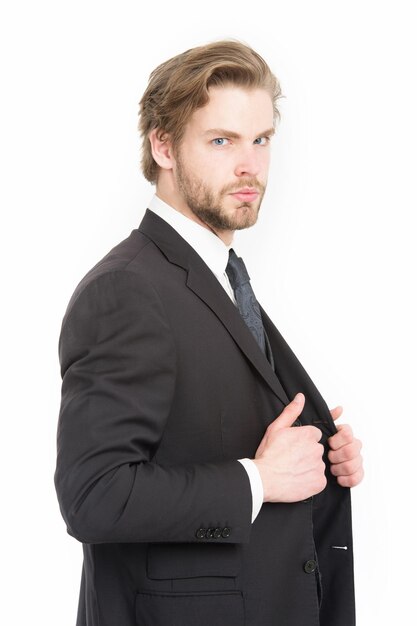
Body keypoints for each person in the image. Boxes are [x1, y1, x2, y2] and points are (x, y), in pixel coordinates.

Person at [54, 40, 364, 626]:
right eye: (221, 141)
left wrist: (320, 458)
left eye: (261, 140)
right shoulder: (126, 290)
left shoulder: (219, 276)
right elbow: (93, 497)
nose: (249, 164)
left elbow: (210, 429)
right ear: (163, 146)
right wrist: (260, 479)